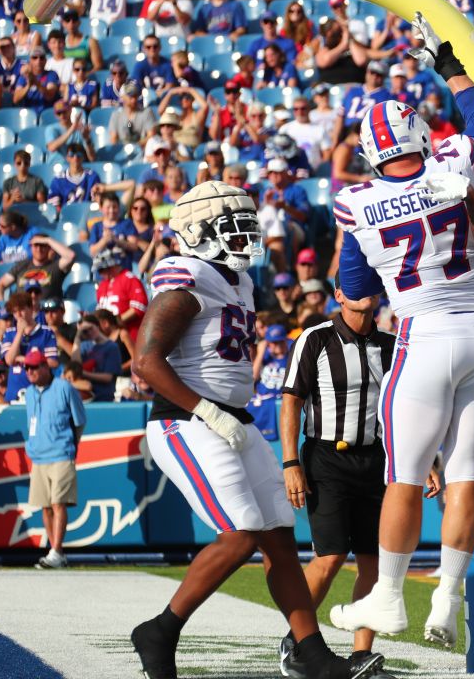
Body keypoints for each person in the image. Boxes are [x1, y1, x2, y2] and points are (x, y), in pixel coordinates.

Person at [129, 182, 379, 679]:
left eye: (248, 223)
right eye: (232, 225)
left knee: (280, 538)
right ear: (199, 233)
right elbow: (145, 362)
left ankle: (309, 650)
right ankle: (160, 631)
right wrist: (208, 411)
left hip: (232, 418)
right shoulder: (189, 277)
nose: (246, 234)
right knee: (242, 533)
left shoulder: (238, 280)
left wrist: (224, 414)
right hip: (188, 421)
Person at [327, 15, 474, 649]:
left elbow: (357, 292)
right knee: (466, 475)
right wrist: (451, 66)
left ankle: (391, 596)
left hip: (425, 335)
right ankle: (449, 598)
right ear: (420, 136)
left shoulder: (355, 203)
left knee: (402, 477)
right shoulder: (456, 159)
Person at [278, 281, 434, 679]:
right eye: (355, 286)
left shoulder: (392, 344)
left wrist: (426, 457)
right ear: (338, 294)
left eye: (370, 286)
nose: (364, 293)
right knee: (329, 557)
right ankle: (297, 639)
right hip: (327, 458)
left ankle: (361, 654)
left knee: (374, 561)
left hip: (377, 460)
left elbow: (404, 406)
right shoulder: (315, 339)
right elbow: (292, 400)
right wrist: (290, 461)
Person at [22, 347, 86, 569]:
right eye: (26, 367)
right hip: (38, 456)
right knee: (45, 506)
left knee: (59, 503)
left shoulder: (64, 388)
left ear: (44, 366)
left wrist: (72, 446)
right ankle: (54, 553)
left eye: (33, 367)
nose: (29, 371)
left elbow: (79, 421)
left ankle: (57, 551)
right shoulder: (29, 393)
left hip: (61, 452)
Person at [94, 246, 149, 343]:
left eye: (102, 270)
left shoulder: (129, 279)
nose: (101, 274)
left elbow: (139, 307)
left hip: (129, 335)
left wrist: (116, 322)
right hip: (109, 338)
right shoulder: (102, 285)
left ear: (111, 266)